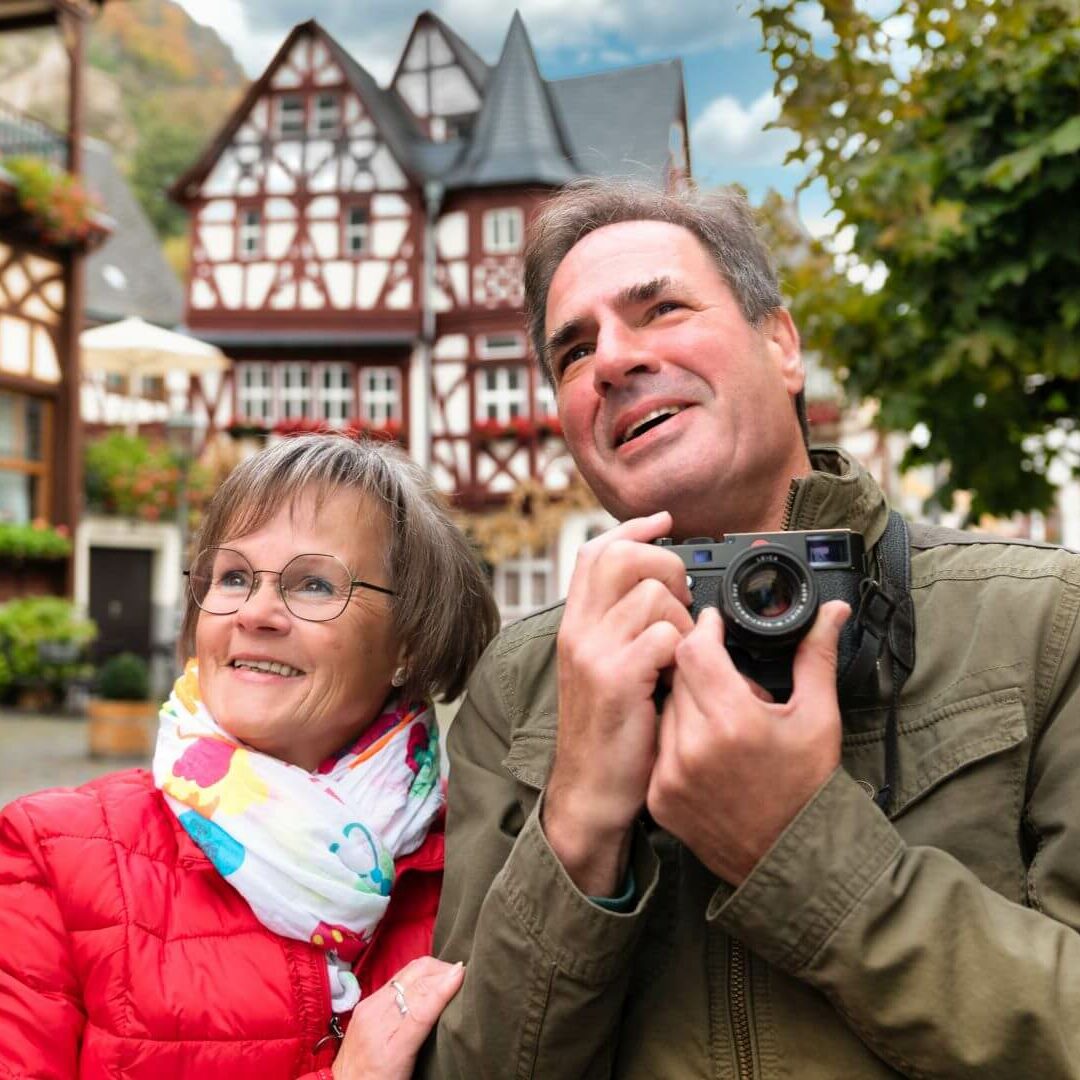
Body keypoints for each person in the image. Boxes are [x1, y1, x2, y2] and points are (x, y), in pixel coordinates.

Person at [425, 180, 1080, 1078]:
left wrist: (799, 852)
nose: (612, 360)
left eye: (659, 308)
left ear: (781, 344)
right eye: (574, 351)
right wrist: (575, 825)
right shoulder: (519, 685)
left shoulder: (1045, 623)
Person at [0, 433, 500, 1078]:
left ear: (408, 642)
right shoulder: (50, 853)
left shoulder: (479, 860)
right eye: (233, 576)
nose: (255, 612)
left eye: (314, 584)